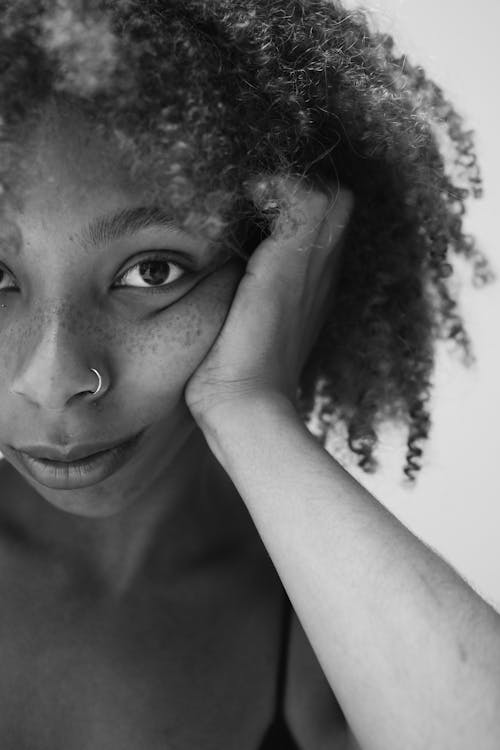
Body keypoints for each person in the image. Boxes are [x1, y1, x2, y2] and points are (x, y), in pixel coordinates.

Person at [0, 1, 498, 748]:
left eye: (153, 270)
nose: (53, 380)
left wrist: (249, 408)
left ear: (274, 270)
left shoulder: (330, 633)